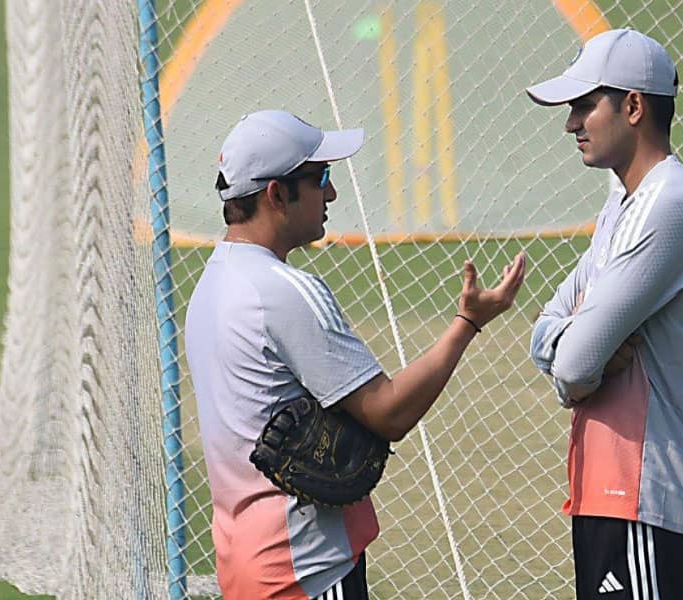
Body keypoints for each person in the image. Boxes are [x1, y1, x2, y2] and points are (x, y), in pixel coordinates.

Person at [184, 109, 525, 599]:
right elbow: (389, 412)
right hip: (306, 566)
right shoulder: (284, 290)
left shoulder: (212, 284)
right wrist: (467, 323)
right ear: (276, 194)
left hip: (246, 563)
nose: (332, 194)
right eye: (320, 177)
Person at [526, 29, 683, 599]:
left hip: (645, 493)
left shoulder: (668, 204)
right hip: (612, 492)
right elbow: (546, 331)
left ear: (633, 106)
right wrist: (570, 348)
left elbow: (573, 365)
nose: (571, 124)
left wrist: (572, 360)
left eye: (585, 105)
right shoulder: (622, 201)